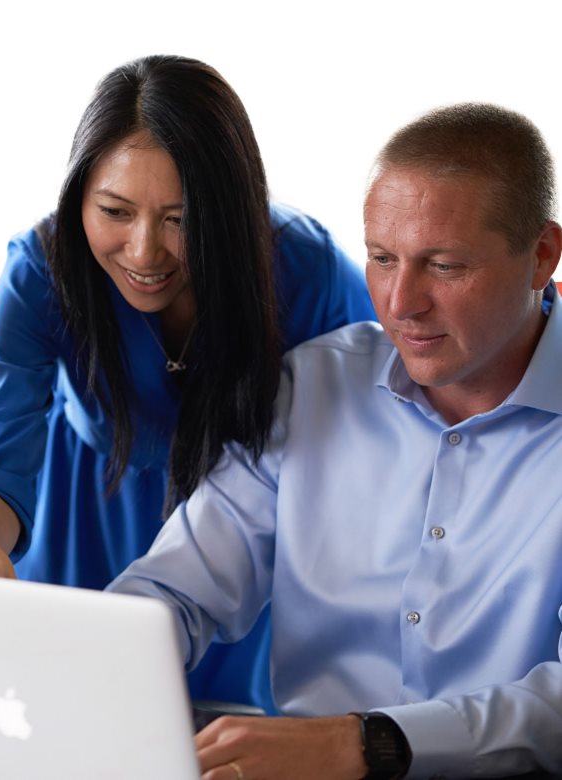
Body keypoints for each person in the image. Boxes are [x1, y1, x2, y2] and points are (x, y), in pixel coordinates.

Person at [110, 102, 562, 778]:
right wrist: (88, 665)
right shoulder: (312, 386)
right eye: (382, 258)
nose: (401, 302)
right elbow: (179, 589)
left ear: (542, 256)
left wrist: (367, 745)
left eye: (443, 265)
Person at [0, 54, 375, 708]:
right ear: (78, 195)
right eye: (114, 211)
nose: (145, 253)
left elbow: (374, 454)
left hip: (251, 543)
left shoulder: (304, 267)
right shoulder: (42, 268)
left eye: (181, 219)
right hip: (85, 518)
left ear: (230, 208)